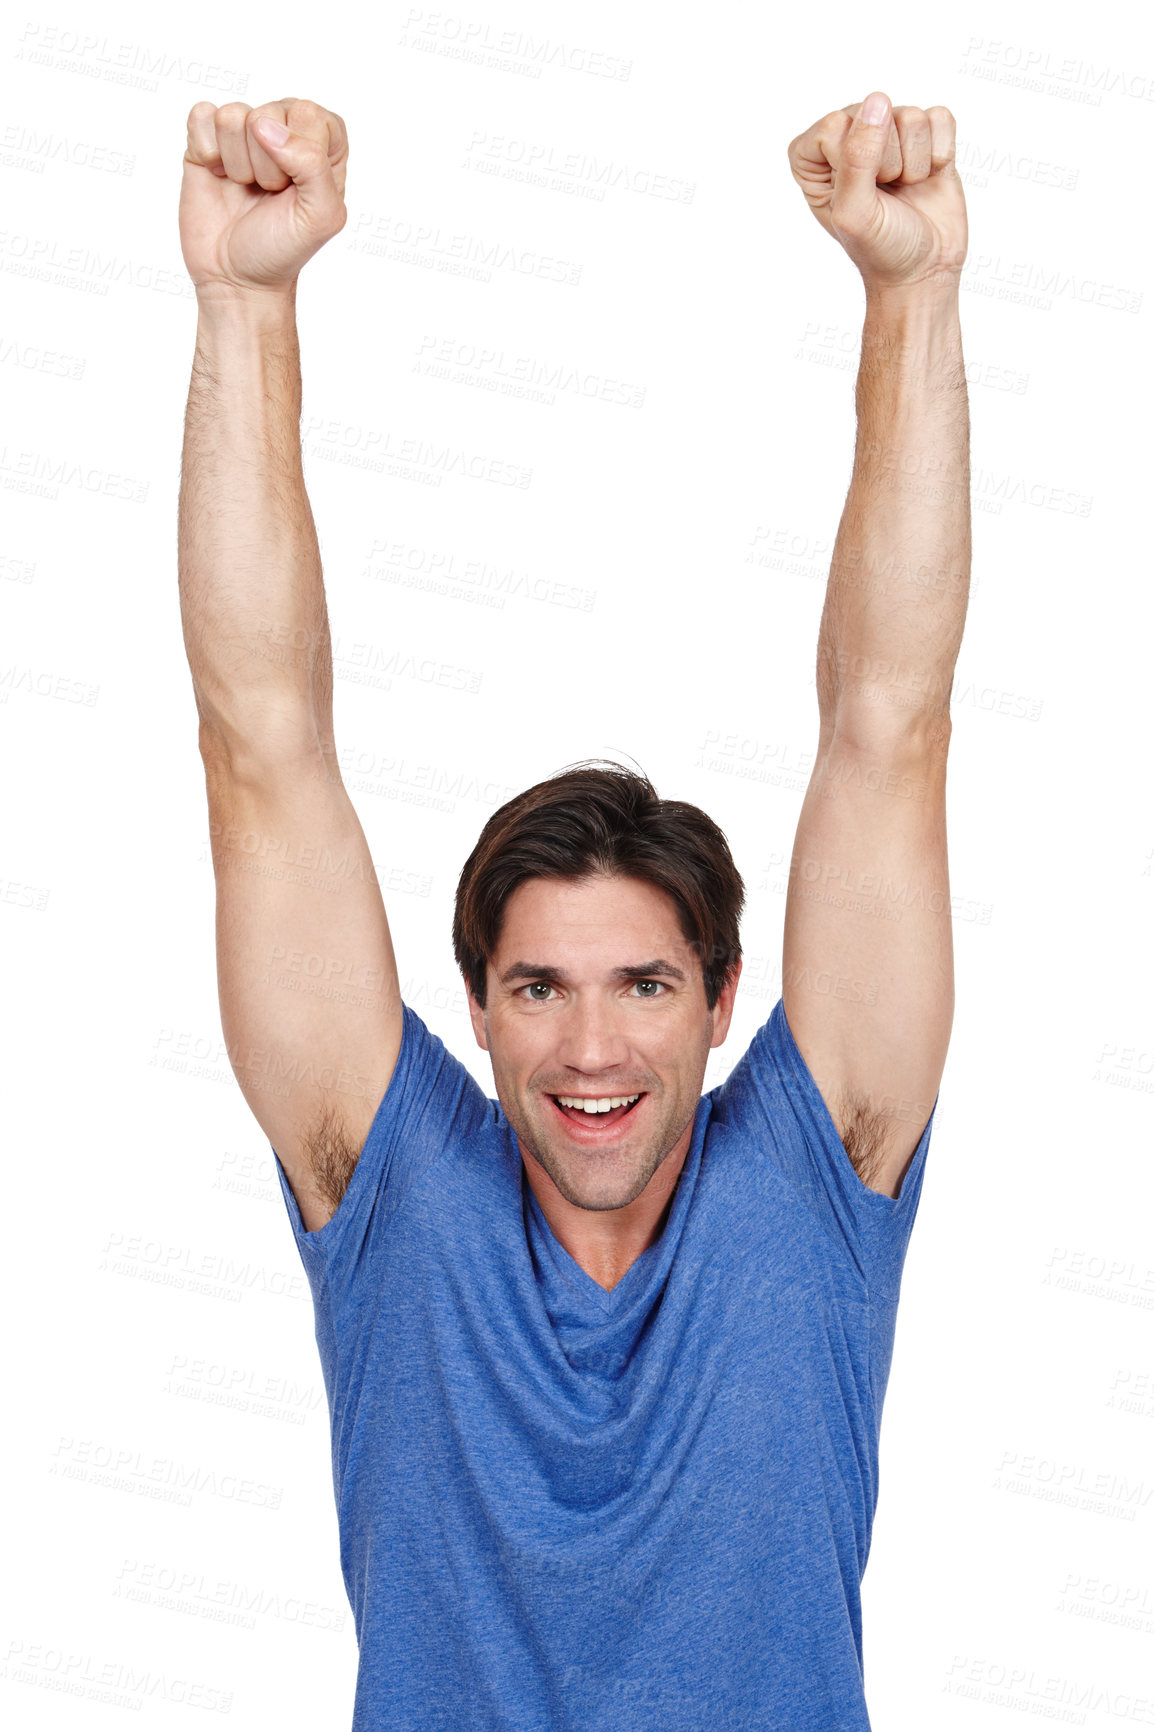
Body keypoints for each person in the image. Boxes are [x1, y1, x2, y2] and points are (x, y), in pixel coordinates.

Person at [178, 87, 969, 1731]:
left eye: (642, 985)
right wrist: (246, 304)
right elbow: (261, 746)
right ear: (471, 1006)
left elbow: (888, 724)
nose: (590, 1043)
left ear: (725, 992)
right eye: (538, 989)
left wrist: (912, 297)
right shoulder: (396, 1199)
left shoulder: (806, 1199)